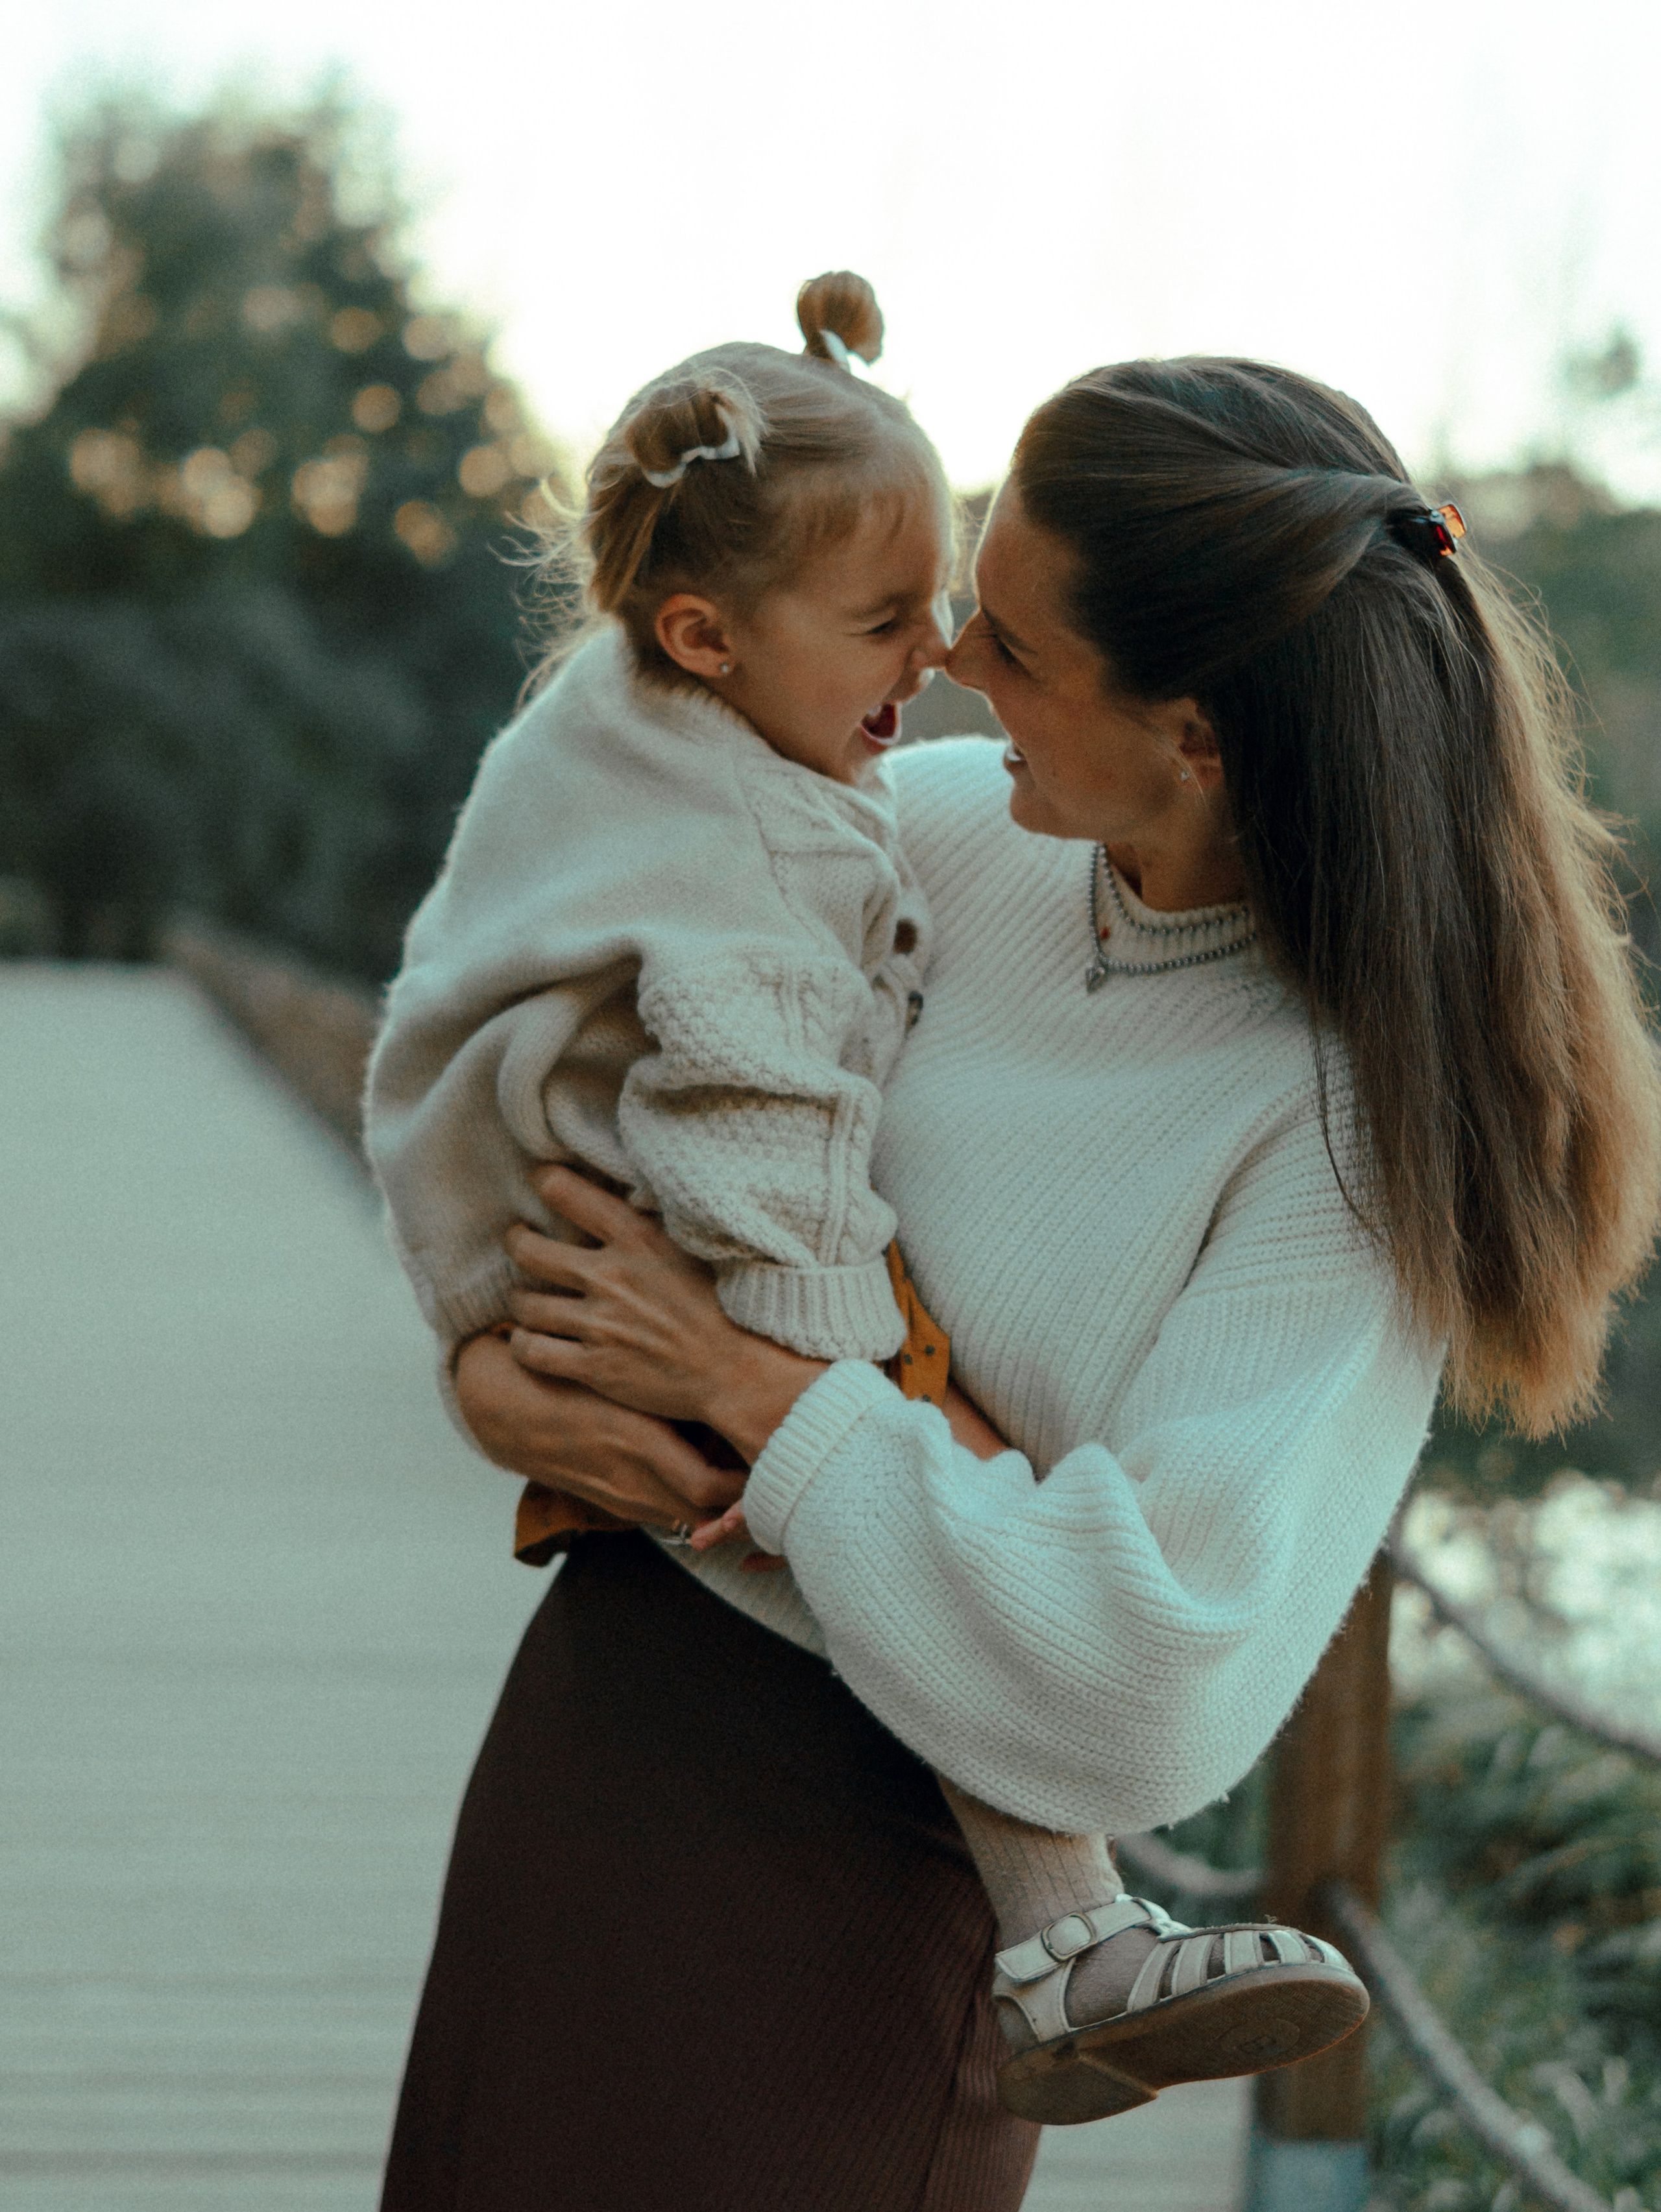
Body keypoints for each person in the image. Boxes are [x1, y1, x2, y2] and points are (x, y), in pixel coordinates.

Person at [379, 354, 1661, 2212]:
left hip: (887, 1888)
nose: (955, 666)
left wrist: (763, 1395)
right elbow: (582, 1073)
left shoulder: (1346, 1136)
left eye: (1017, 645)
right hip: (605, 1722)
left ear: (1203, 735)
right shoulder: (937, 825)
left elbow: (1147, 1682)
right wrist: (493, 1369)